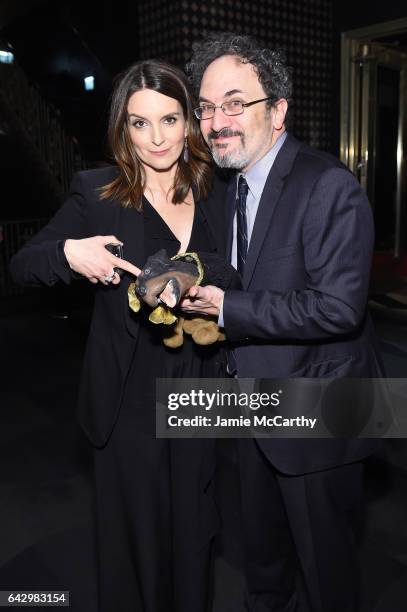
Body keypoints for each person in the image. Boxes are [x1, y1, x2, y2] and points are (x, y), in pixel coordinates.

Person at [10, 60, 228, 612]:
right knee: (138, 546)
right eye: (140, 123)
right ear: (123, 129)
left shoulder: (218, 191)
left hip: (201, 387)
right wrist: (69, 253)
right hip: (130, 396)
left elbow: (237, 271)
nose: (157, 138)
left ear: (190, 123)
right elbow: (22, 264)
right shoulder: (97, 193)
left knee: (196, 533)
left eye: (170, 119)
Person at [182, 33, 385, 612]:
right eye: (207, 107)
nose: (217, 121)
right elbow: (232, 265)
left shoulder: (329, 185)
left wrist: (224, 307)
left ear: (278, 111)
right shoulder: (227, 188)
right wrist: (183, 275)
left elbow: (338, 307)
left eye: (234, 103)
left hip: (322, 412)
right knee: (261, 563)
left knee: (327, 574)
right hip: (250, 408)